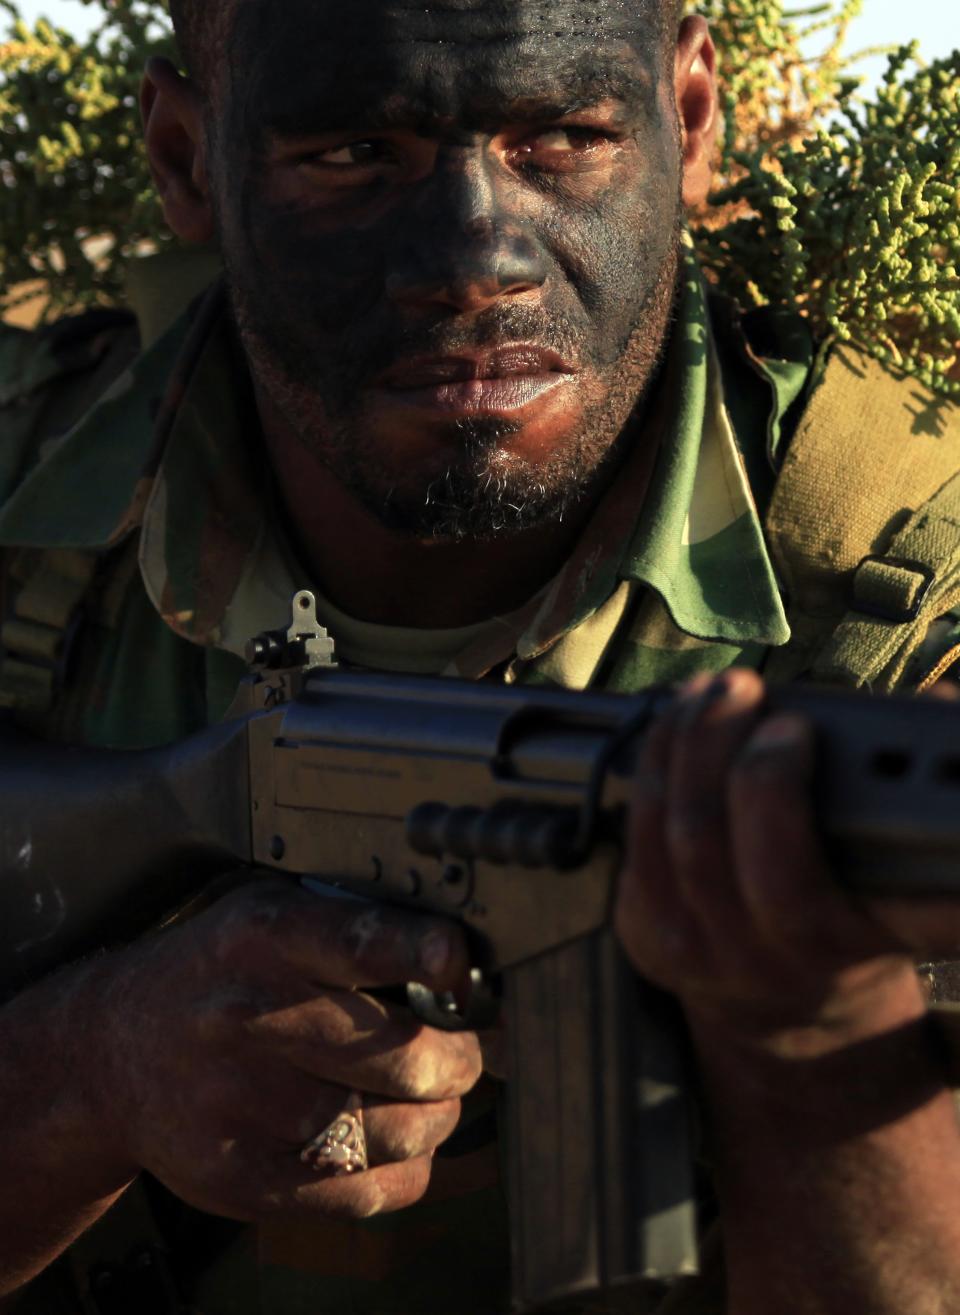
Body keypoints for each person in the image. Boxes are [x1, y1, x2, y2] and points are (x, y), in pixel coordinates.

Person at [2, 1, 960, 1311]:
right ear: (184, 160)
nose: (473, 261)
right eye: (352, 156)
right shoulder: (24, 517)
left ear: (689, 120)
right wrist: (88, 1073)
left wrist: (809, 1049)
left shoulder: (917, 603)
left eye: (564, 135)